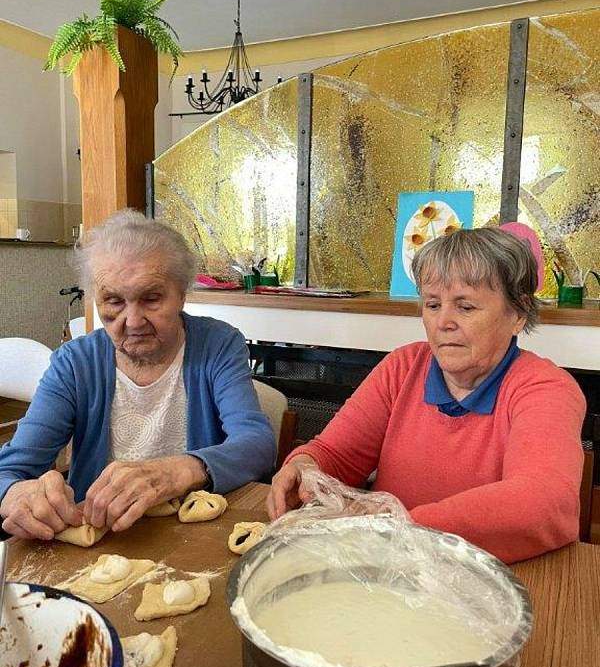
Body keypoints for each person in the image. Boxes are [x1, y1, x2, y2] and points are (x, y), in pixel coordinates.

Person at [267, 227, 585, 563]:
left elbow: (544, 504)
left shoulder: (544, 388)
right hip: (388, 566)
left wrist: (399, 525)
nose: (443, 321)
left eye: (465, 307)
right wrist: (305, 466)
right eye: (433, 304)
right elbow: (337, 453)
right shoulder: (403, 368)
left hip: (493, 581)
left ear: (518, 313)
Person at [0, 210, 276, 540]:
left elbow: (257, 445)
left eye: (151, 298)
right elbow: (11, 469)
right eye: (114, 301)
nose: (132, 321)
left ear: (182, 295)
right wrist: (15, 494)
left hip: (198, 536)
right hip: (102, 541)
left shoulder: (217, 345)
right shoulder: (74, 363)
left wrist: (176, 472)